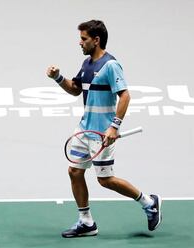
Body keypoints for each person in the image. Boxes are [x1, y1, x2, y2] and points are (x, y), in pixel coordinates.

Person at [46, 20, 162, 238]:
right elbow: (75, 89)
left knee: (105, 180)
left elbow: (125, 95)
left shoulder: (111, 65)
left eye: (84, 39)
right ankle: (86, 222)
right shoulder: (87, 64)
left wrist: (114, 127)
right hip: (84, 130)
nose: (79, 43)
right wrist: (58, 78)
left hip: (102, 134)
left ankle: (149, 202)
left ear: (96, 40)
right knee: (74, 171)